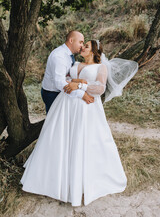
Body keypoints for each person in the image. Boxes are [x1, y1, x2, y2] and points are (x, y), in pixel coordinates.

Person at [21, 40, 138, 206]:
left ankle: (80, 181)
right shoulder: (75, 63)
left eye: (87, 46)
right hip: (65, 103)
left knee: (83, 140)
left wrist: (79, 85)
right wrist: (74, 83)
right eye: (82, 45)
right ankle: (51, 180)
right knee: (59, 137)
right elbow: (66, 79)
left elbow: (100, 88)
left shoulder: (100, 67)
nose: (82, 47)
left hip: (87, 107)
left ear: (94, 51)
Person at [41, 30, 94, 113]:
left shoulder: (68, 54)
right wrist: (82, 94)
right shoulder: (59, 56)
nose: (82, 46)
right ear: (71, 40)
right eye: (80, 42)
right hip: (52, 93)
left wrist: (75, 81)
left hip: (61, 91)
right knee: (56, 122)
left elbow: (65, 76)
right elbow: (59, 83)